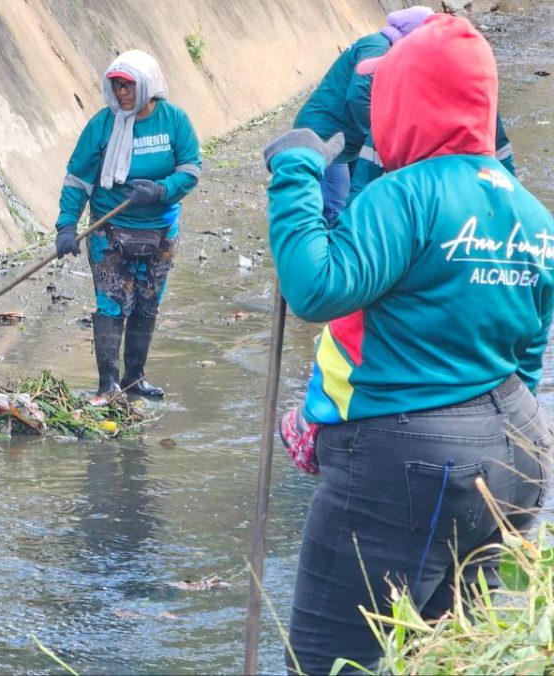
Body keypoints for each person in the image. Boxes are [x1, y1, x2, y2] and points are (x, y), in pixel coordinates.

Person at [262, 14, 554, 673]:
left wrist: (296, 173)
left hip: (410, 464)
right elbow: (528, 358)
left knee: (329, 662)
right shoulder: (531, 213)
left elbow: (316, 287)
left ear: (403, 100)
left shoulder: (405, 195)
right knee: (446, 657)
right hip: (517, 458)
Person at [54, 49, 201, 403]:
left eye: (128, 86)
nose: (121, 93)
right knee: (111, 304)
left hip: (160, 232)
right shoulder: (101, 126)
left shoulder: (174, 121)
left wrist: (161, 190)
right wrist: (66, 226)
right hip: (110, 231)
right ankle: (108, 384)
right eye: (116, 86)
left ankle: (135, 378)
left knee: (147, 303)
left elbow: (191, 169)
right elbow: (77, 179)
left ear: (148, 86)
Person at [292, 5, 434, 225]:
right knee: (336, 212)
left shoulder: (386, 48)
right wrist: (382, 135)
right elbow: (359, 95)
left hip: (344, 139)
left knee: (353, 204)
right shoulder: (379, 48)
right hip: (324, 135)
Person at [348, 111, 515, 202]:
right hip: (467, 219)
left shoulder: (393, 109)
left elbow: (361, 189)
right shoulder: (482, 105)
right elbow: (508, 178)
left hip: (414, 218)